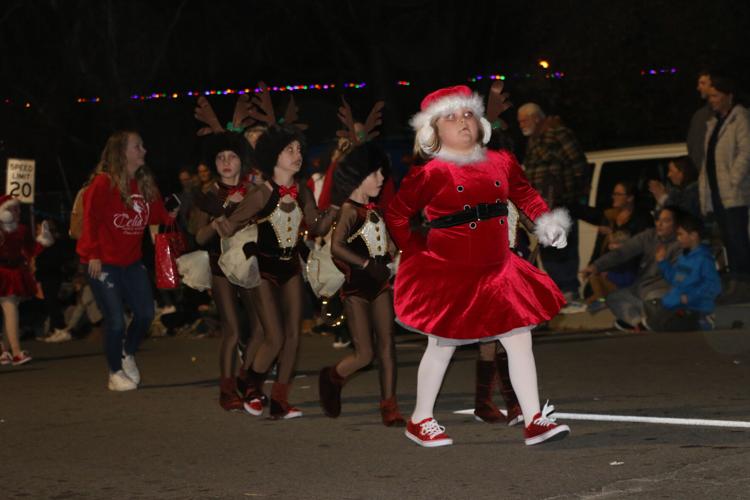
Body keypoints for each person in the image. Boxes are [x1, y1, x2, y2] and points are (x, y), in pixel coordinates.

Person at [387, 85, 571, 447]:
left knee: (519, 337)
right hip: (452, 271)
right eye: (450, 117)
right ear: (433, 131)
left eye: (468, 114)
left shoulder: (501, 161)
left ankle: (534, 418)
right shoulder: (432, 173)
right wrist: (414, 252)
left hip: (499, 269)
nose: (463, 122)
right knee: (442, 345)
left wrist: (547, 222)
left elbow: (524, 193)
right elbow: (396, 213)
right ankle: (420, 418)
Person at [214, 125, 338, 419]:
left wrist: (333, 210)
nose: (297, 155)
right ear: (273, 156)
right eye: (289, 150)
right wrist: (222, 217)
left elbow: (317, 227)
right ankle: (250, 382)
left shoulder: (302, 190)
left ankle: (280, 399)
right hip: (264, 269)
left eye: (299, 150)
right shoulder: (261, 193)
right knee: (275, 337)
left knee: (294, 335)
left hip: (291, 266)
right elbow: (229, 226)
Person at [76, 130, 178, 391]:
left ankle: (127, 352)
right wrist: (92, 254)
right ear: (122, 153)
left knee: (145, 314)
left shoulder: (145, 184)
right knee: (116, 320)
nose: (144, 150)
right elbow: (90, 221)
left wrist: (173, 213)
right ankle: (115, 372)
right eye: (137, 146)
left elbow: (160, 217)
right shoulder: (102, 183)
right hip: (103, 262)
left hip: (132, 263)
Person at [318, 142, 405, 427]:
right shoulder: (349, 211)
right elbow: (336, 247)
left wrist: (394, 256)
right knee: (365, 354)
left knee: (387, 345)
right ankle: (333, 376)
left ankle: (389, 404)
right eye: (375, 173)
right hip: (356, 288)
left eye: (383, 173)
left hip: (380, 285)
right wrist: (368, 265)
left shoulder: (375, 209)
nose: (381, 179)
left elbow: (387, 242)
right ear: (357, 176)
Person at [191, 132, 265, 412]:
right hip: (220, 264)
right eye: (220, 157)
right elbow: (199, 236)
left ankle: (245, 378)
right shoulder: (207, 194)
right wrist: (223, 212)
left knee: (261, 327)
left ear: (241, 161)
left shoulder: (253, 190)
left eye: (231, 156)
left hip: (249, 263)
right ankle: (226, 389)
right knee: (232, 330)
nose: (225, 162)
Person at [517, 102, 588, 302]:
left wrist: (569, 194)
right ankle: (560, 292)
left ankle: (569, 292)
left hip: (559, 205)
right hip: (540, 208)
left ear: (536, 118)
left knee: (562, 249)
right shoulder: (534, 141)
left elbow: (578, 165)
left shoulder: (559, 135)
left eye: (524, 120)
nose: (521, 125)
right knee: (548, 250)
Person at [581, 207, 683, 332]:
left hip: (661, 290)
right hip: (641, 288)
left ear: (676, 224)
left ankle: (651, 320)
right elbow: (623, 252)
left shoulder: (681, 244)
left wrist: (662, 262)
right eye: (657, 220)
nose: (659, 224)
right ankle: (639, 323)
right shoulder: (649, 236)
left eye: (666, 221)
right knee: (613, 298)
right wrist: (596, 266)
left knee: (656, 300)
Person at [698, 75, 750, 303]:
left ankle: (744, 282)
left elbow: (746, 152)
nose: (713, 101)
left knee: (738, 238)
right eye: (710, 97)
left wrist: (733, 179)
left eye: (716, 96)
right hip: (718, 191)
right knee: (729, 238)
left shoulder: (740, 118)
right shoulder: (715, 122)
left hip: (734, 192)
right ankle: (737, 282)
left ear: (729, 96)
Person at [0, 195, 54, 365]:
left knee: (11, 310)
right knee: (10, 308)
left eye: (18, 209)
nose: (17, 212)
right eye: (12, 209)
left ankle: (4, 352)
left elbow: (30, 250)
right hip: (1, 271)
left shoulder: (22, 229)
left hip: (13, 272)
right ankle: (16, 352)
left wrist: (43, 240)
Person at [646, 213, 721, 331]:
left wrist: (690, 297)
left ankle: (705, 320)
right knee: (654, 321)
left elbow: (714, 286)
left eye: (681, 234)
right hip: (679, 303)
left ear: (693, 236)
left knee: (669, 325)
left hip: (694, 306)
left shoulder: (703, 259)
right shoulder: (685, 257)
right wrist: (663, 262)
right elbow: (676, 280)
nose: (678, 238)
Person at [687, 69, 714, 172]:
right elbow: (693, 146)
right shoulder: (699, 116)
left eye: (703, 83)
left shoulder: (735, 115)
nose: (699, 88)